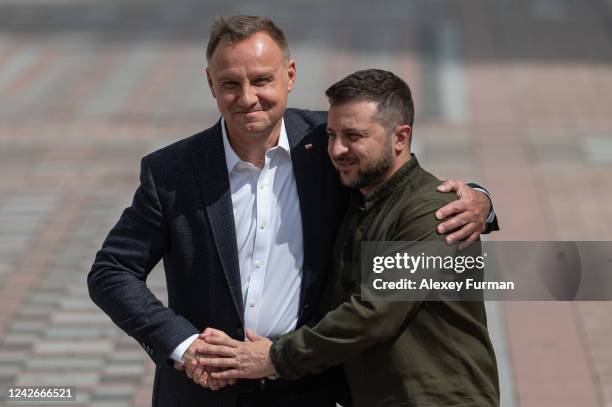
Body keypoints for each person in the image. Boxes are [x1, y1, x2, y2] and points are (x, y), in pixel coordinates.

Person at [88, 15, 498, 407]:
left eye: (262, 79)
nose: (247, 98)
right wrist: (183, 344)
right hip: (205, 388)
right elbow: (112, 272)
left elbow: (401, 182)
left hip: (307, 388)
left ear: (291, 75)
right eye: (230, 83)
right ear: (210, 83)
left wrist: (479, 199)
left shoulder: (330, 144)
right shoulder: (172, 172)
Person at [196, 69, 500, 406]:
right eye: (331, 134)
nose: (337, 149)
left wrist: (275, 357)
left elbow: (374, 313)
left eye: (354, 136)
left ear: (400, 137)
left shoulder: (435, 213)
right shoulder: (359, 198)